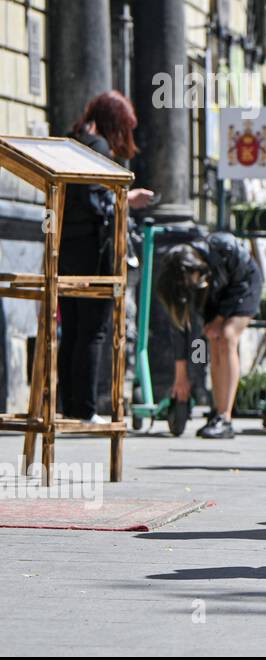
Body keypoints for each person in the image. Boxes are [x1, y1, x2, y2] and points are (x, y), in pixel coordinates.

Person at [58, 91, 154, 424]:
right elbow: (96, 201)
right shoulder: (97, 149)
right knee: (93, 330)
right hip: (92, 249)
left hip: (64, 247)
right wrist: (128, 199)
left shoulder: (71, 142)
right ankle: (84, 409)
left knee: (70, 328)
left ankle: (67, 406)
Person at [157, 232, 262, 439]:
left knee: (227, 336)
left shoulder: (224, 247)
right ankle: (218, 409)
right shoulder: (184, 283)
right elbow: (182, 327)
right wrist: (181, 377)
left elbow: (241, 283)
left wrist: (220, 318)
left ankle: (226, 417)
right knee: (212, 340)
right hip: (215, 297)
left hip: (243, 288)